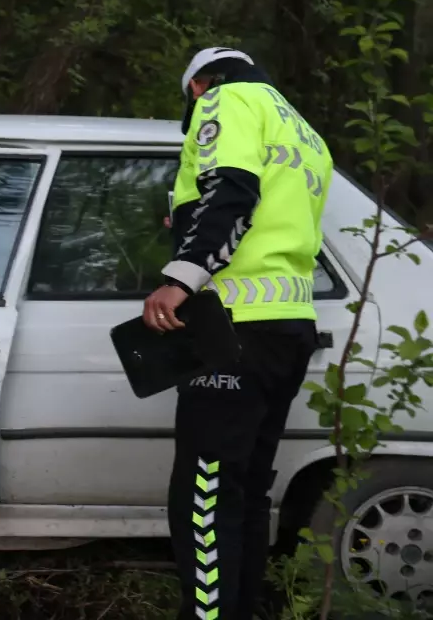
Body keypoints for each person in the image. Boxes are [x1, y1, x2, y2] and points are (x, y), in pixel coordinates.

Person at [143, 47, 333, 620]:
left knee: (204, 499)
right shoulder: (302, 130)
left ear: (199, 86)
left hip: (232, 328)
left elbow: (233, 192)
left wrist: (180, 277)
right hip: (288, 328)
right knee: (245, 493)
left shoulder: (226, 99)